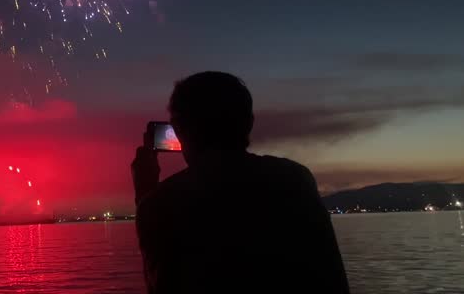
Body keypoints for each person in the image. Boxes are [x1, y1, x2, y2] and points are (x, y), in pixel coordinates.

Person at [131, 71, 349, 293]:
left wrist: (145, 194)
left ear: (178, 129)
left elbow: (161, 285)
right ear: (249, 123)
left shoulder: (162, 203)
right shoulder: (295, 180)